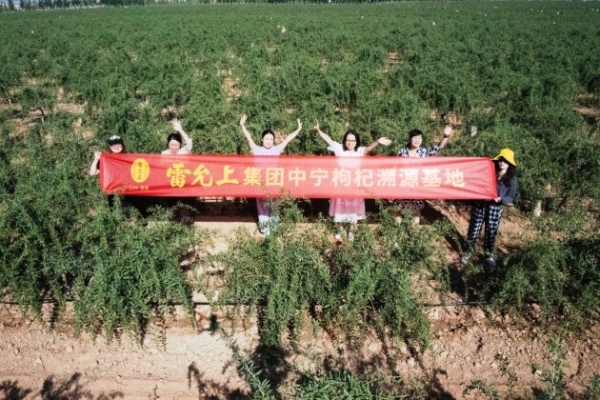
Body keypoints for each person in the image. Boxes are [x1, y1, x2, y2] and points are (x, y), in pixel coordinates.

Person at [314, 120, 391, 242]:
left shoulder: (359, 151)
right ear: (345, 140)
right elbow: (328, 139)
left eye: (353, 140)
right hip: (340, 184)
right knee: (340, 207)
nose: (350, 142)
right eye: (348, 140)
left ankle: (351, 233)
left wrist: (378, 141)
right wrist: (319, 130)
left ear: (357, 141)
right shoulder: (339, 149)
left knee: (353, 209)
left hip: (355, 185)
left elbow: (369, 149)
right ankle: (340, 231)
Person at [240, 114, 302, 236]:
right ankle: (264, 228)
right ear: (262, 139)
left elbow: (288, 139)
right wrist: (242, 125)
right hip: (260, 183)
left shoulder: (277, 149)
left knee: (274, 205)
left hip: (274, 182)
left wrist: (298, 129)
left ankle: (273, 228)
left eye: (271, 139)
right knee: (261, 206)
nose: (269, 141)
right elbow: (249, 138)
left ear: (273, 141)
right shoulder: (257, 150)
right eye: (266, 138)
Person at [461, 148, 518, 267]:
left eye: (505, 161)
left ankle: (488, 254)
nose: (501, 162)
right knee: (474, 229)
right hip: (480, 204)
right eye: (500, 160)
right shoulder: (489, 172)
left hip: (495, 207)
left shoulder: (512, 179)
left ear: (509, 163)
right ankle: (467, 252)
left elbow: (510, 197)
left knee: (491, 232)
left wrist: (501, 200)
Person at [394, 125, 453, 224]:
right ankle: (395, 233)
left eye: (420, 138)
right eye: (415, 138)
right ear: (410, 139)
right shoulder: (402, 151)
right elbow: (395, 167)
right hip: (403, 185)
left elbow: (439, 147)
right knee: (397, 209)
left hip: (417, 185)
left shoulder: (424, 152)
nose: (417, 140)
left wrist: (446, 136)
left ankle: (414, 234)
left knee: (416, 211)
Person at [89, 135, 134, 211]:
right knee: (116, 213)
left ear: (122, 145)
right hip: (113, 192)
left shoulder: (129, 158)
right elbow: (92, 173)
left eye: (118, 144)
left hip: (129, 191)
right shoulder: (106, 160)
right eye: (113, 145)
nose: (116, 146)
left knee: (130, 213)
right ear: (110, 147)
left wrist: (161, 158)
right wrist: (96, 159)